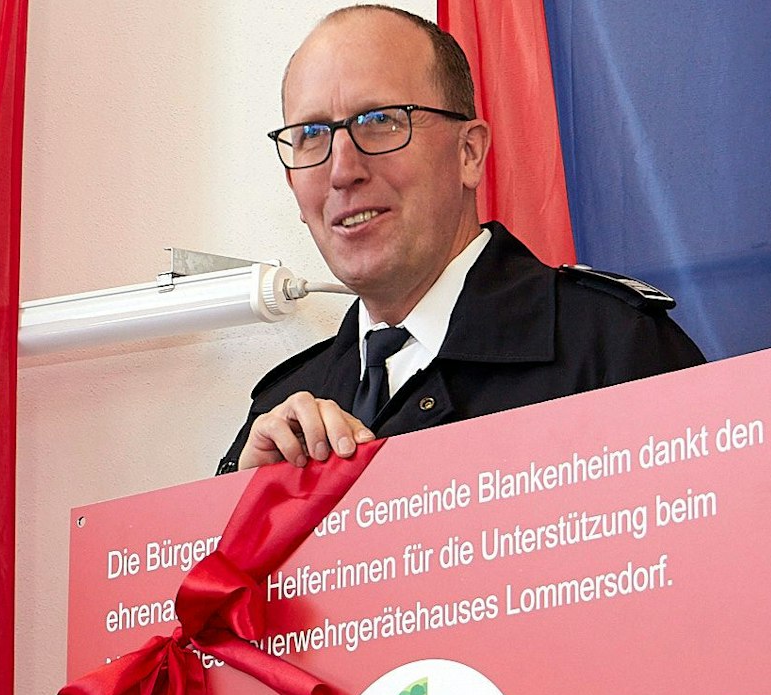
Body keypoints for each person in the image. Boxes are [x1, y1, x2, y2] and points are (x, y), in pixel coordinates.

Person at [219, 4, 705, 475]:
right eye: (310, 134)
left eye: (381, 120)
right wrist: (245, 502)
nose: (342, 171)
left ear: (469, 153)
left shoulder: (612, 350)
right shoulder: (279, 419)